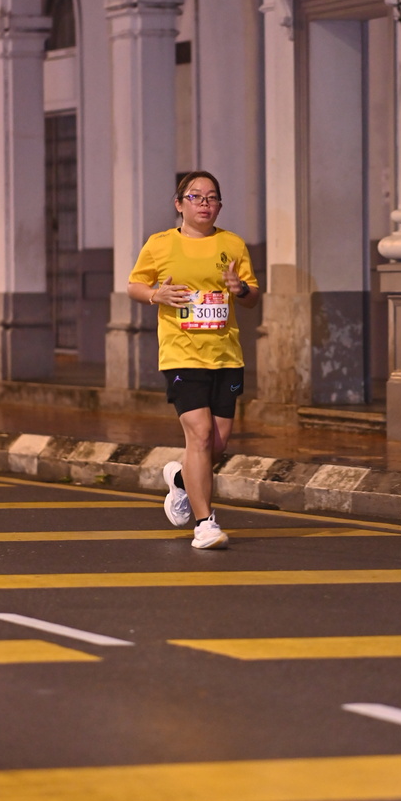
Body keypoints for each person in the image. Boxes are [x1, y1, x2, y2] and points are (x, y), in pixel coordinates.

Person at [127, 171, 260, 549]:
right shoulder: (160, 244)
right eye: (196, 196)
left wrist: (240, 288)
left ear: (219, 205)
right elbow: (135, 285)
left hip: (226, 355)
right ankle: (205, 524)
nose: (204, 203)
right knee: (199, 434)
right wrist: (156, 295)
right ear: (179, 204)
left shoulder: (232, 244)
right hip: (181, 354)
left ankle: (180, 479)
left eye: (212, 197)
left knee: (215, 445)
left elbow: (252, 297)